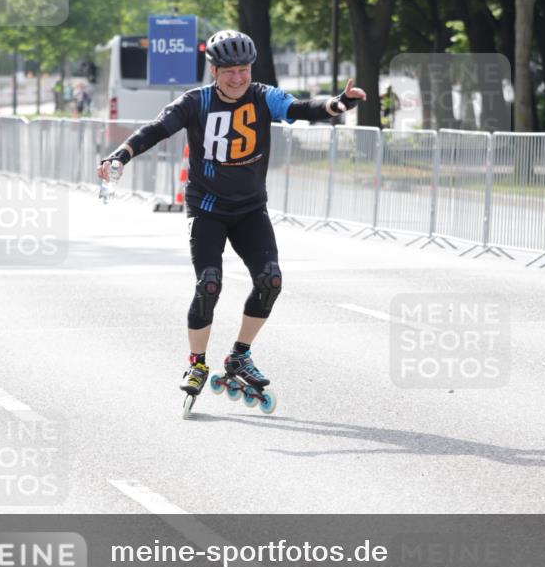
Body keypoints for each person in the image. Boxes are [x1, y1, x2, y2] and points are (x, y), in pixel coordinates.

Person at [97, 30, 366, 399]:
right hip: (206, 208)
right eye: (229, 71)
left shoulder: (262, 96)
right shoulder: (195, 103)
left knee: (270, 280)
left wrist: (339, 104)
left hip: (250, 208)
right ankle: (197, 362)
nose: (238, 78)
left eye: (243, 70)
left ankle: (239, 355)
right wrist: (120, 156)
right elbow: (156, 130)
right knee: (209, 284)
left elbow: (301, 108)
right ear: (213, 71)